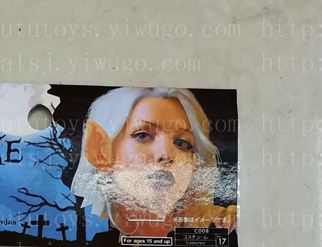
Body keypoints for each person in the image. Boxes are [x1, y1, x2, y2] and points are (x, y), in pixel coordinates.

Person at [71, 87, 237, 238]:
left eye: (182, 143)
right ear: (101, 151)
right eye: (143, 135)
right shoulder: (78, 231)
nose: (166, 155)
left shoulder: (223, 227)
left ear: (194, 166)